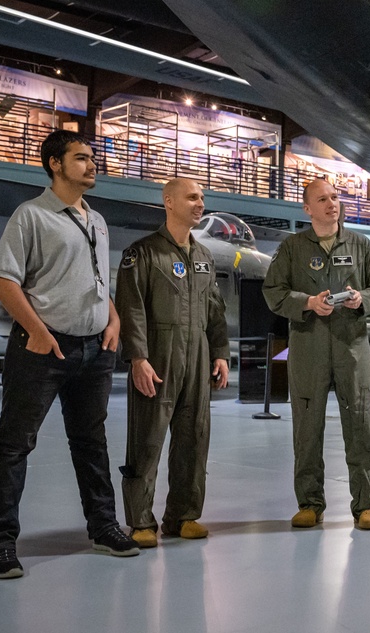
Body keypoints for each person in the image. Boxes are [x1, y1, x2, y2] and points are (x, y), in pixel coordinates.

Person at [0, 130, 139, 580]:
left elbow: (96, 279)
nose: (93, 165)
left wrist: (113, 320)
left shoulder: (97, 219)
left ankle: (103, 525)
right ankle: (0, 543)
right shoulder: (31, 216)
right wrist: (36, 331)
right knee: (14, 444)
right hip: (43, 348)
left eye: (93, 159)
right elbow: (2, 278)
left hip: (95, 350)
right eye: (81, 158)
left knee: (91, 441)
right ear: (55, 164)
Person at [263, 179, 370, 530]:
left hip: (352, 347)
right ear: (307, 209)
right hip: (308, 347)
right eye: (322, 199)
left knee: (361, 424)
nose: (331, 204)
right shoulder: (292, 248)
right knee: (307, 427)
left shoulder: (361, 244)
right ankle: (309, 503)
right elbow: (273, 291)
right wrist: (306, 302)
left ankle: (364, 505)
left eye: (335, 197)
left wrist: (360, 298)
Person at [116, 178, 229, 548]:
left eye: (202, 198)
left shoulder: (204, 257)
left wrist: (221, 353)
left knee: (194, 437)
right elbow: (130, 307)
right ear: (168, 201)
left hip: (197, 357)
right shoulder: (143, 253)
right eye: (192, 197)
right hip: (159, 356)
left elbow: (215, 312)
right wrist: (138, 357)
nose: (200, 203)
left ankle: (183, 516)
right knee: (147, 438)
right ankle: (141, 521)